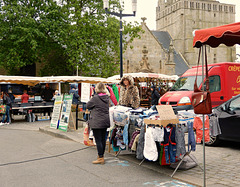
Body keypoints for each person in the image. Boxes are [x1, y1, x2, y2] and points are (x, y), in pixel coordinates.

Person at [86, 82, 110, 164]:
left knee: (98, 140)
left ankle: (100, 157)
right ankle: (101, 156)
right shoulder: (107, 98)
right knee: (103, 139)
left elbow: (88, 105)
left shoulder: (95, 98)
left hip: (97, 121)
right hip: (105, 121)